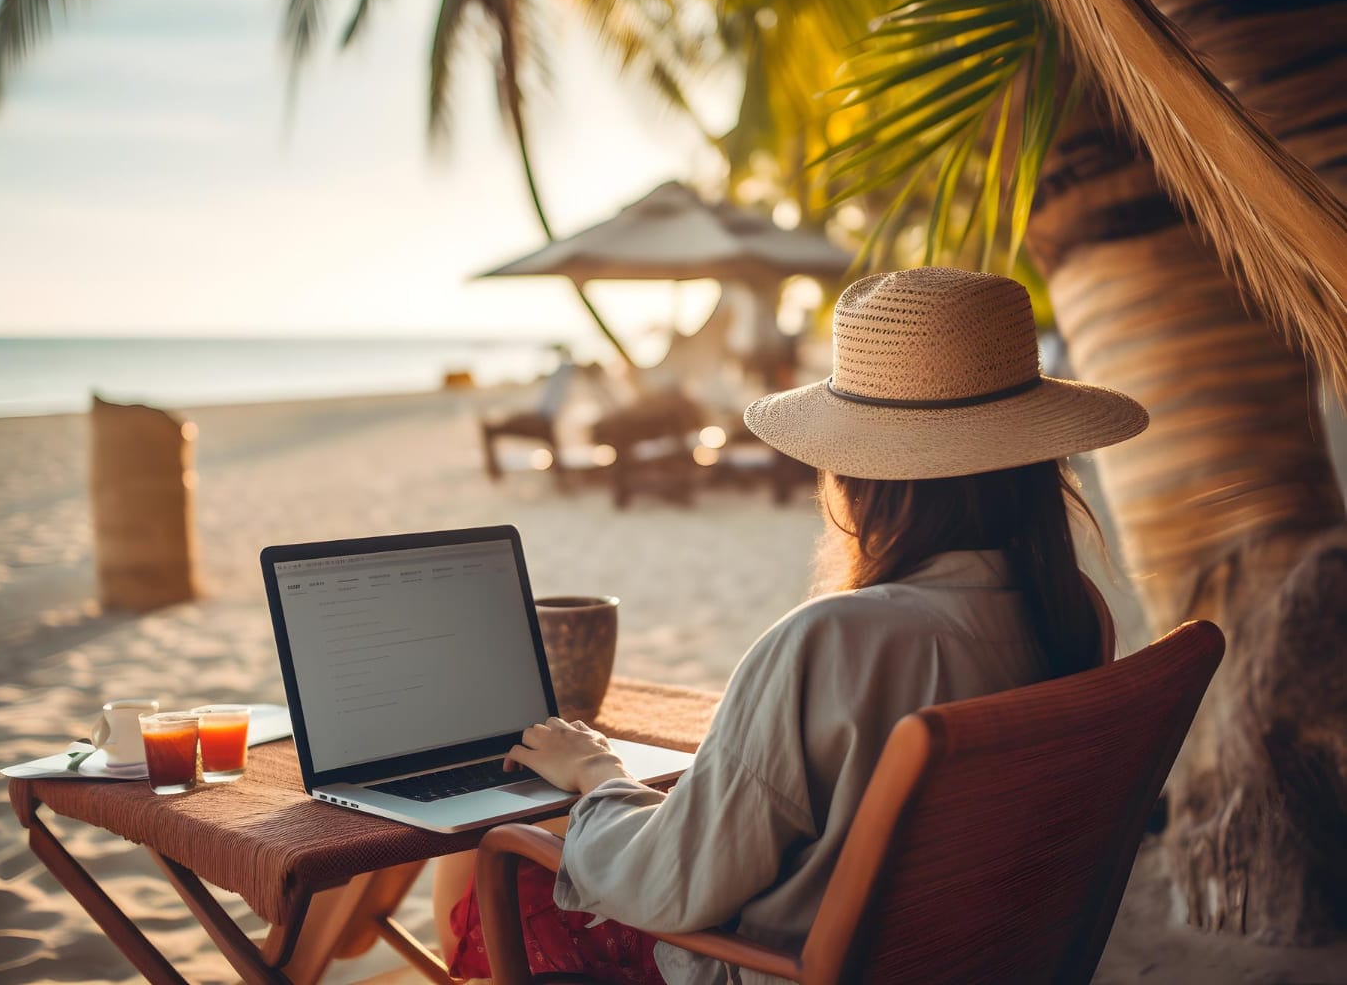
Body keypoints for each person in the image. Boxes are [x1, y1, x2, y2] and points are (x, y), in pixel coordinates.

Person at [433, 267, 1149, 984]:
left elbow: (675, 885)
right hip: (974, 956)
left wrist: (597, 772)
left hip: (780, 965)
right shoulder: (1070, 612)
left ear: (859, 474)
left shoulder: (835, 641)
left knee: (485, 865)